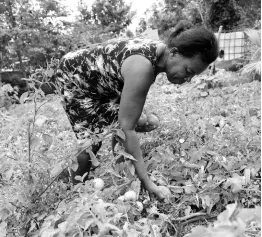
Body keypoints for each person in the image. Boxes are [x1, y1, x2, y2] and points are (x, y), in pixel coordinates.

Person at [56, 21, 219, 199]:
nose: (188, 78)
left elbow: (125, 124)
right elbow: (127, 128)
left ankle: (124, 174)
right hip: (76, 78)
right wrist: (148, 184)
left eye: (193, 75)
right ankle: (75, 191)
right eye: (188, 70)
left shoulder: (160, 54)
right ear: (173, 53)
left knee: (141, 121)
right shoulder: (142, 68)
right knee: (91, 142)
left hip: (105, 80)